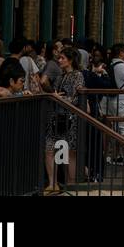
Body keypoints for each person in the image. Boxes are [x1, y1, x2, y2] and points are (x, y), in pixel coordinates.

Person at [43, 47, 84, 195]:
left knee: (70, 151)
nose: (59, 61)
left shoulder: (77, 75)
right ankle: (53, 183)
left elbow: (76, 97)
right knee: (49, 148)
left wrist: (60, 98)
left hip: (70, 117)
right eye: (59, 58)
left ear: (70, 60)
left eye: (62, 58)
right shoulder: (60, 76)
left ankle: (71, 183)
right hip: (56, 116)